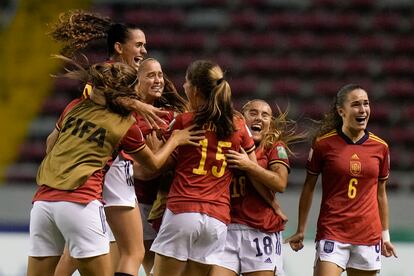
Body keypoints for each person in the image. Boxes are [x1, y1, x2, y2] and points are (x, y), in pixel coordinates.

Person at [27, 58, 204, 276]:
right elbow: (154, 165)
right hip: (81, 203)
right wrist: (175, 140)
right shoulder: (125, 124)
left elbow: (49, 145)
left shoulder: (75, 106)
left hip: (43, 204)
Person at [48, 10, 168, 276]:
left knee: (79, 250)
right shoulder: (107, 75)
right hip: (110, 163)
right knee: (133, 250)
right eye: (138, 45)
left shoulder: (112, 75)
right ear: (118, 47)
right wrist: (136, 103)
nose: (144, 50)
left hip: (103, 162)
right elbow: (98, 96)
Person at [149, 59, 256, 276]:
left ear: (195, 89)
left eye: (187, 83)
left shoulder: (185, 121)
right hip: (217, 220)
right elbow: (253, 167)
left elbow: (156, 166)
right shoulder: (239, 124)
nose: (184, 87)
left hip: (183, 210)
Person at [285, 84, 397, 276]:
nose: (363, 110)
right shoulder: (323, 144)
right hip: (333, 232)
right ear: (341, 111)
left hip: (368, 235)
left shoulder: (381, 148)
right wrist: (301, 229)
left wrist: (385, 236)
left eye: (366, 104)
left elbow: (381, 193)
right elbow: (308, 187)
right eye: (356, 105)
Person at [209, 99, 304, 276]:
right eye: (253, 113)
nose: (259, 118)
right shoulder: (227, 143)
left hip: (261, 230)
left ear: (270, 123)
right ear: (241, 119)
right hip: (226, 228)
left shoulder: (274, 147)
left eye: (265, 115)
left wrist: (249, 165)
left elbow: (280, 183)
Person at [132, 58, 187, 275]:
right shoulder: (127, 118)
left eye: (160, 75)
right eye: (151, 75)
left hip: (168, 207)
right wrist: (161, 156)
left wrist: (158, 159)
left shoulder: (172, 117)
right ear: (137, 81)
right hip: (136, 205)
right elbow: (141, 172)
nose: (158, 80)